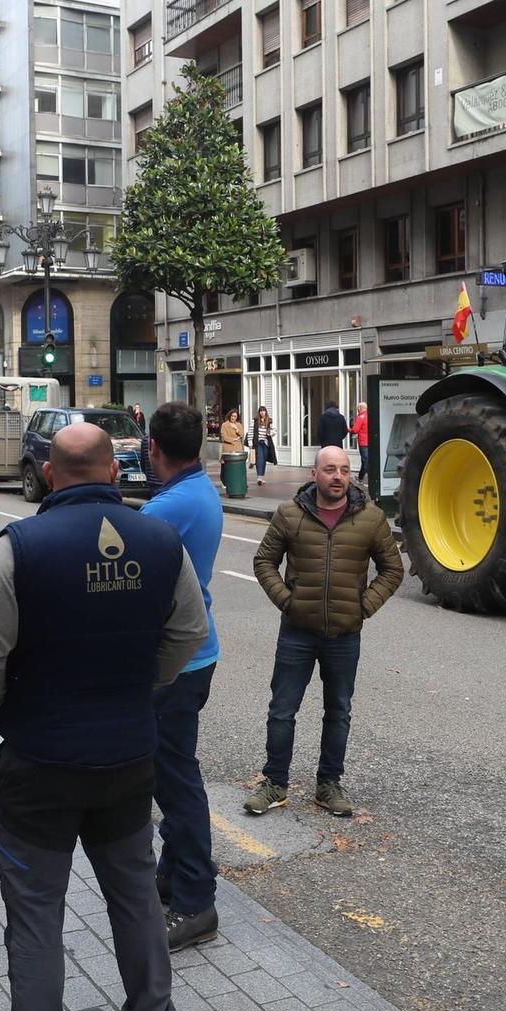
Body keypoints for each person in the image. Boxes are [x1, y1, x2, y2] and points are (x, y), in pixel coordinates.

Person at [0, 423, 208, 1011]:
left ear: (47, 469)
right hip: (127, 758)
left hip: (41, 762)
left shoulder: (21, 548)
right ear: (114, 467)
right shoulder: (159, 541)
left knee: (36, 913)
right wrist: (138, 688)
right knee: (134, 894)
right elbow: (190, 631)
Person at [247, 445, 405, 818]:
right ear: (314, 474)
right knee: (282, 711)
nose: (338, 477)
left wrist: (363, 607)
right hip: (296, 633)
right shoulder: (289, 514)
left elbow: (392, 569)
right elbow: (264, 561)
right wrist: (287, 601)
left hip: (344, 635)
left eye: (344, 470)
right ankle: (274, 783)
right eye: (330, 469)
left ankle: (328, 784)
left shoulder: (370, 518)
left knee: (338, 712)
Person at [140, 403, 224, 953]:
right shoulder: (202, 492)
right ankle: (173, 875)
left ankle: (196, 901)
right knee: (172, 773)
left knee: (175, 781)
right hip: (196, 651)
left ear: (154, 449)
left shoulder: (162, 511)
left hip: (176, 660)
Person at [252, 406, 274, 485]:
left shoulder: (269, 421)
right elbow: (251, 432)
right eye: (261, 411)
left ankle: (262, 476)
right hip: (258, 443)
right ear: (259, 412)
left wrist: (270, 432)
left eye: (263, 411)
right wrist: (251, 443)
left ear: (266, 412)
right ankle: (259, 477)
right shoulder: (255, 421)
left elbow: (273, 432)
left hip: (266, 443)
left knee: (264, 460)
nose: (262, 412)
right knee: (259, 459)